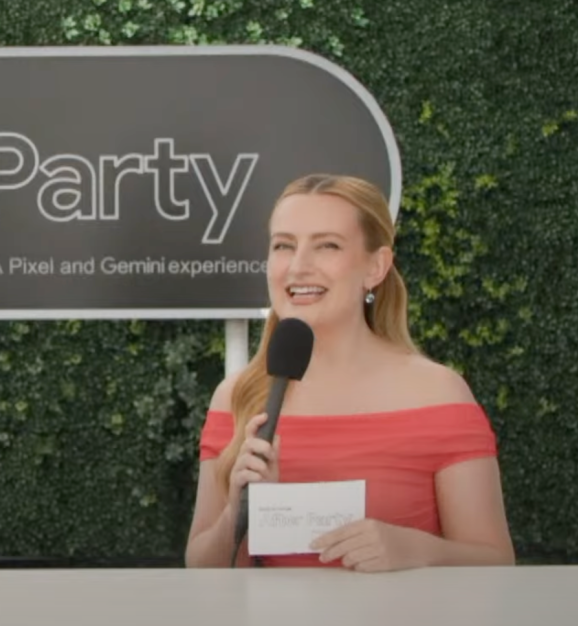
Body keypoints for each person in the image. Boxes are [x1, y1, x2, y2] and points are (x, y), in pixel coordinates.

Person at [184, 173, 514, 571]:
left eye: (327, 246)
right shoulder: (236, 397)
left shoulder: (438, 392)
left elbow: (496, 563)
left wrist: (417, 550)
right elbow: (201, 572)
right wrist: (237, 511)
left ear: (376, 266)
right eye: (283, 246)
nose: (298, 266)